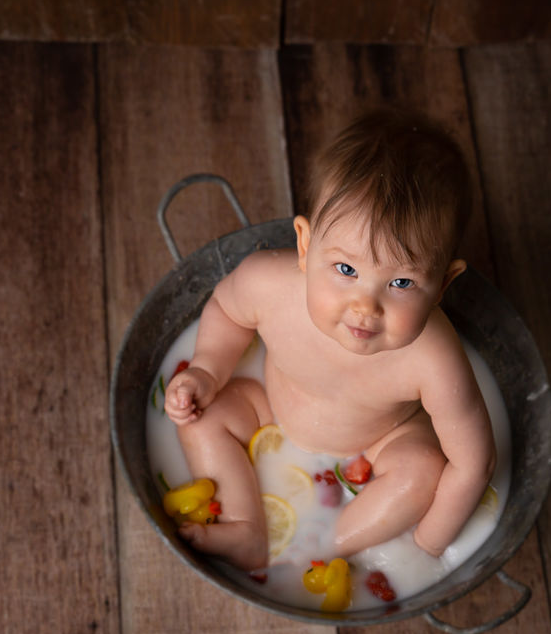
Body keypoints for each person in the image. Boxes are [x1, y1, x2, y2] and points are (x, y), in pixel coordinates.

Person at [164, 109, 495, 571]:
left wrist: (429, 548)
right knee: (197, 417)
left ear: (443, 284)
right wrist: (205, 369)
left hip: (381, 437)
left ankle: (327, 546)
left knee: (423, 471)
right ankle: (245, 526)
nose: (366, 307)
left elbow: (474, 463)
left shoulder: (434, 360)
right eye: (346, 270)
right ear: (305, 245)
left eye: (401, 283)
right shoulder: (270, 286)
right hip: (268, 404)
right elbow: (225, 309)